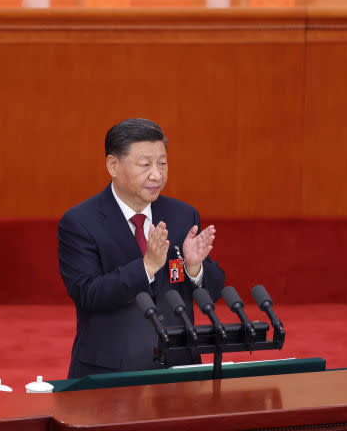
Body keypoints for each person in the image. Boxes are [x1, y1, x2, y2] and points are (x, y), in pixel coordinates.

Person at [58, 118, 225, 379]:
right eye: (145, 165)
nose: (157, 174)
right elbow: (88, 294)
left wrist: (195, 269)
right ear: (113, 165)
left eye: (162, 163)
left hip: (179, 368)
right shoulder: (81, 222)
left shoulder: (182, 215)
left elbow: (212, 294)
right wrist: (146, 267)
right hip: (111, 372)